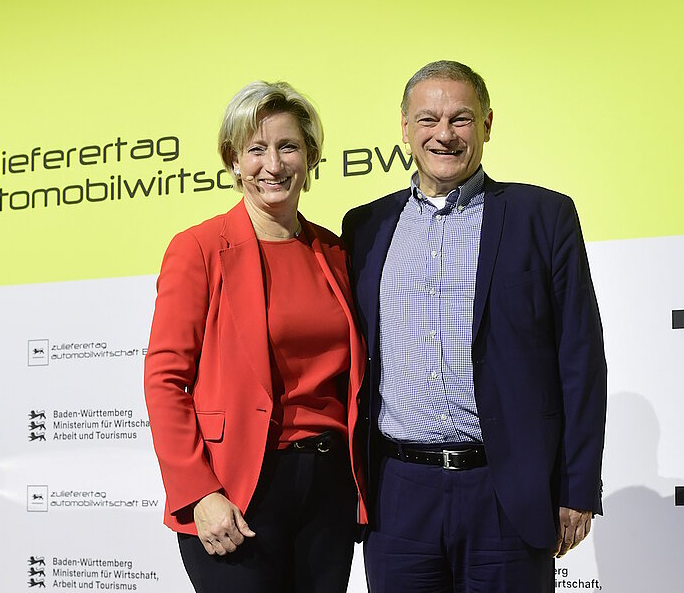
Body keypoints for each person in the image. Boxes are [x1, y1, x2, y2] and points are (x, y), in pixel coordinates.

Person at [342, 60, 607, 592]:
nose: (444, 134)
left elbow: (580, 358)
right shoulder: (365, 226)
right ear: (404, 127)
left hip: (506, 489)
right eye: (428, 119)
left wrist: (576, 488)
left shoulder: (545, 216)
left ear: (487, 124)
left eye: (460, 119)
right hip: (398, 493)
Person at [144, 80, 368, 593]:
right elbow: (164, 380)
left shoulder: (334, 252)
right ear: (233, 160)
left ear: (309, 156)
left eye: (288, 146)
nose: (274, 164)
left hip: (328, 493)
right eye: (256, 149)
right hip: (236, 491)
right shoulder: (198, 248)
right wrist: (200, 493)